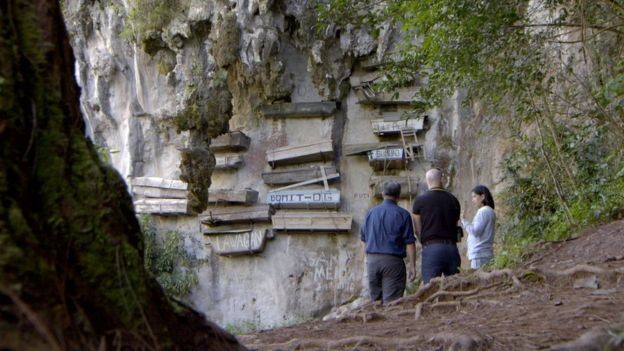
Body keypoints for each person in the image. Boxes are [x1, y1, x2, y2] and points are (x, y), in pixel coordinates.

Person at [360, 180, 416, 304]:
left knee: (376, 303)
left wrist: (367, 259)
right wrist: (413, 266)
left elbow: (363, 239)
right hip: (393, 263)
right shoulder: (404, 214)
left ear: (382, 193)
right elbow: (410, 243)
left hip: (372, 261)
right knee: (392, 304)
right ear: (398, 196)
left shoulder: (370, 213)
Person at [412, 168, 461, 284]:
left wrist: (423, 241)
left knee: (430, 288)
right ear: (442, 179)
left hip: (431, 247)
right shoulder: (453, 200)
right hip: (451, 247)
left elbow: (417, 228)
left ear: (427, 181)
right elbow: (456, 223)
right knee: (453, 285)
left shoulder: (420, 201)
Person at [461, 185, 496, 269]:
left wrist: (464, 221)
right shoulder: (490, 211)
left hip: (480, 255)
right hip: (485, 253)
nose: (473, 200)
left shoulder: (483, 211)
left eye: (474, 196)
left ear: (483, 196)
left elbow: (475, 231)